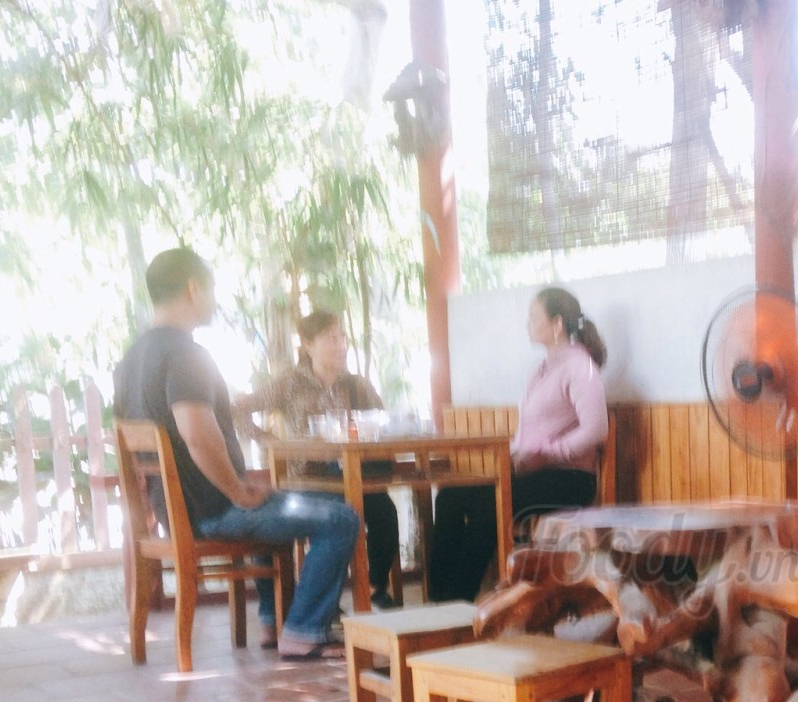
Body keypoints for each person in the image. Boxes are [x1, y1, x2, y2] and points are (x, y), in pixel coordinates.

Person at [113, 248, 360, 661]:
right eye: (210, 290)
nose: (214, 300)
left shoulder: (130, 362)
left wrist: (242, 491)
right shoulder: (186, 354)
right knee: (341, 518)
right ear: (193, 289)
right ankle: (304, 630)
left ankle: (271, 619)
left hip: (176, 513)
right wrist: (237, 490)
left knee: (274, 500)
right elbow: (197, 435)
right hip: (213, 511)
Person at [428, 286, 608, 603]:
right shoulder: (539, 370)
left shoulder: (581, 367)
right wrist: (515, 455)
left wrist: (546, 455)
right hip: (532, 472)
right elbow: (530, 432)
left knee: (488, 507)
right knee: (449, 497)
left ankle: (458, 601)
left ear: (557, 324)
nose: (527, 323)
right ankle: (437, 601)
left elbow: (597, 429)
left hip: (569, 478)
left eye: (534, 317)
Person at [234, 310, 402, 608]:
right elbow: (238, 410)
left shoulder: (357, 385)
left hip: (352, 475)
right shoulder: (289, 383)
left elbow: (382, 423)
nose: (340, 345)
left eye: (342, 337)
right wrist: (270, 441)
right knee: (331, 515)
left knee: (384, 511)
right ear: (308, 344)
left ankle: (374, 588)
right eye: (330, 338)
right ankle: (323, 604)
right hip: (306, 479)